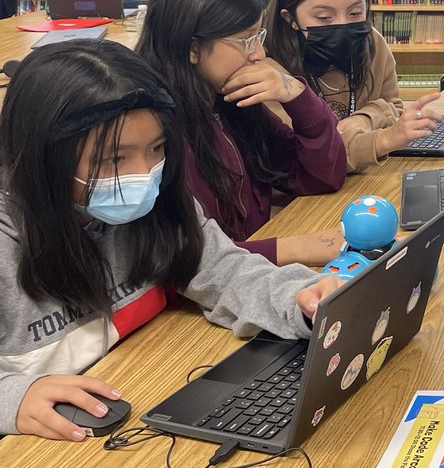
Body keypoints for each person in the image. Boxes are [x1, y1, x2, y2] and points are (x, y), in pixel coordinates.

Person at [0, 41, 341, 440]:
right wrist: (14, 398)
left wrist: (298, 298)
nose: (145, 174)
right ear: (42, 157)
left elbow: (223, 268)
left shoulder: (159, 206)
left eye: (156, 148)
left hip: (138, 403)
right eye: (114, 160)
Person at [136, 0, 347, 264]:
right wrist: (292, 248)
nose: (259, 54)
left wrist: (298, 97)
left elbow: (322, 177)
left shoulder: (230, 102)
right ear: (193, 48)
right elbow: (180, 258)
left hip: (250, 275)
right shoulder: (152, 134)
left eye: (258, 36)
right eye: (245, 40)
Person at [264, 0, 442, 170]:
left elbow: (393, 108)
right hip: (302, 199)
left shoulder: (372, 43)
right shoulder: (269, 72)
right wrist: (383, 139)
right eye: (324, 17)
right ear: (290, 18)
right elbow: (306, 157)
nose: (343, 24)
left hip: (364, 180)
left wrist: (365, 118)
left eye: (355, 13)